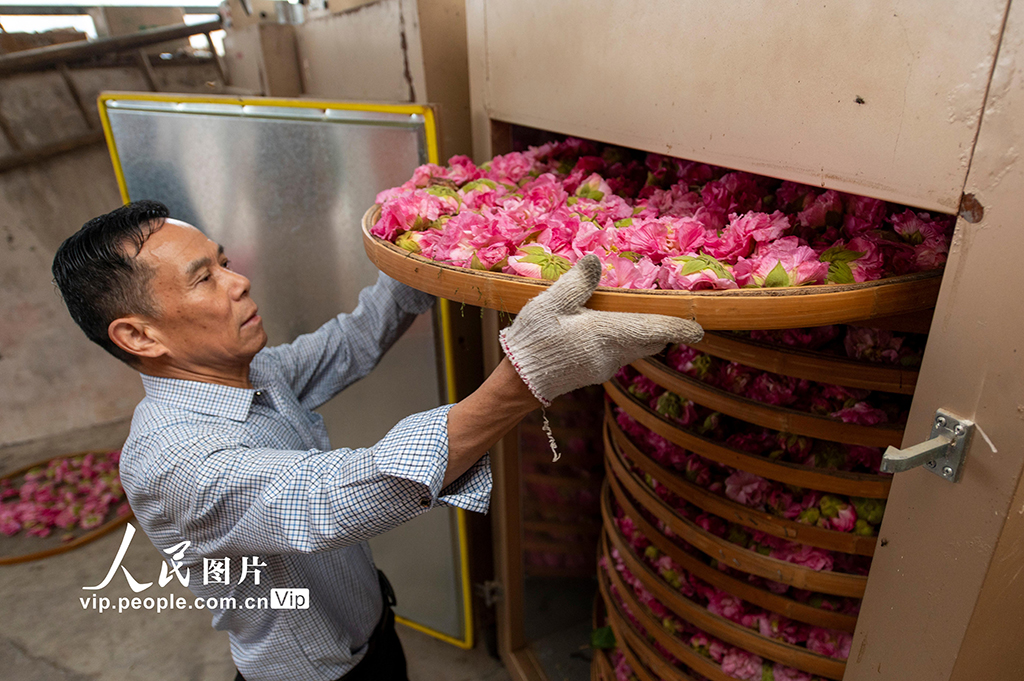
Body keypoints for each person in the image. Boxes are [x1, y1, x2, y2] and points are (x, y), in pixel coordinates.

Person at [51, 200, 703, 681]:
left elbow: (355, 338)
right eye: (205, 277)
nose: (239, 280)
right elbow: (332, 495)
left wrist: (434, 246)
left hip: (372, 628)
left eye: (223, 261)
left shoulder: (253, 371)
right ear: (139, 336)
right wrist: (523, 377)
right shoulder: (173, 459)